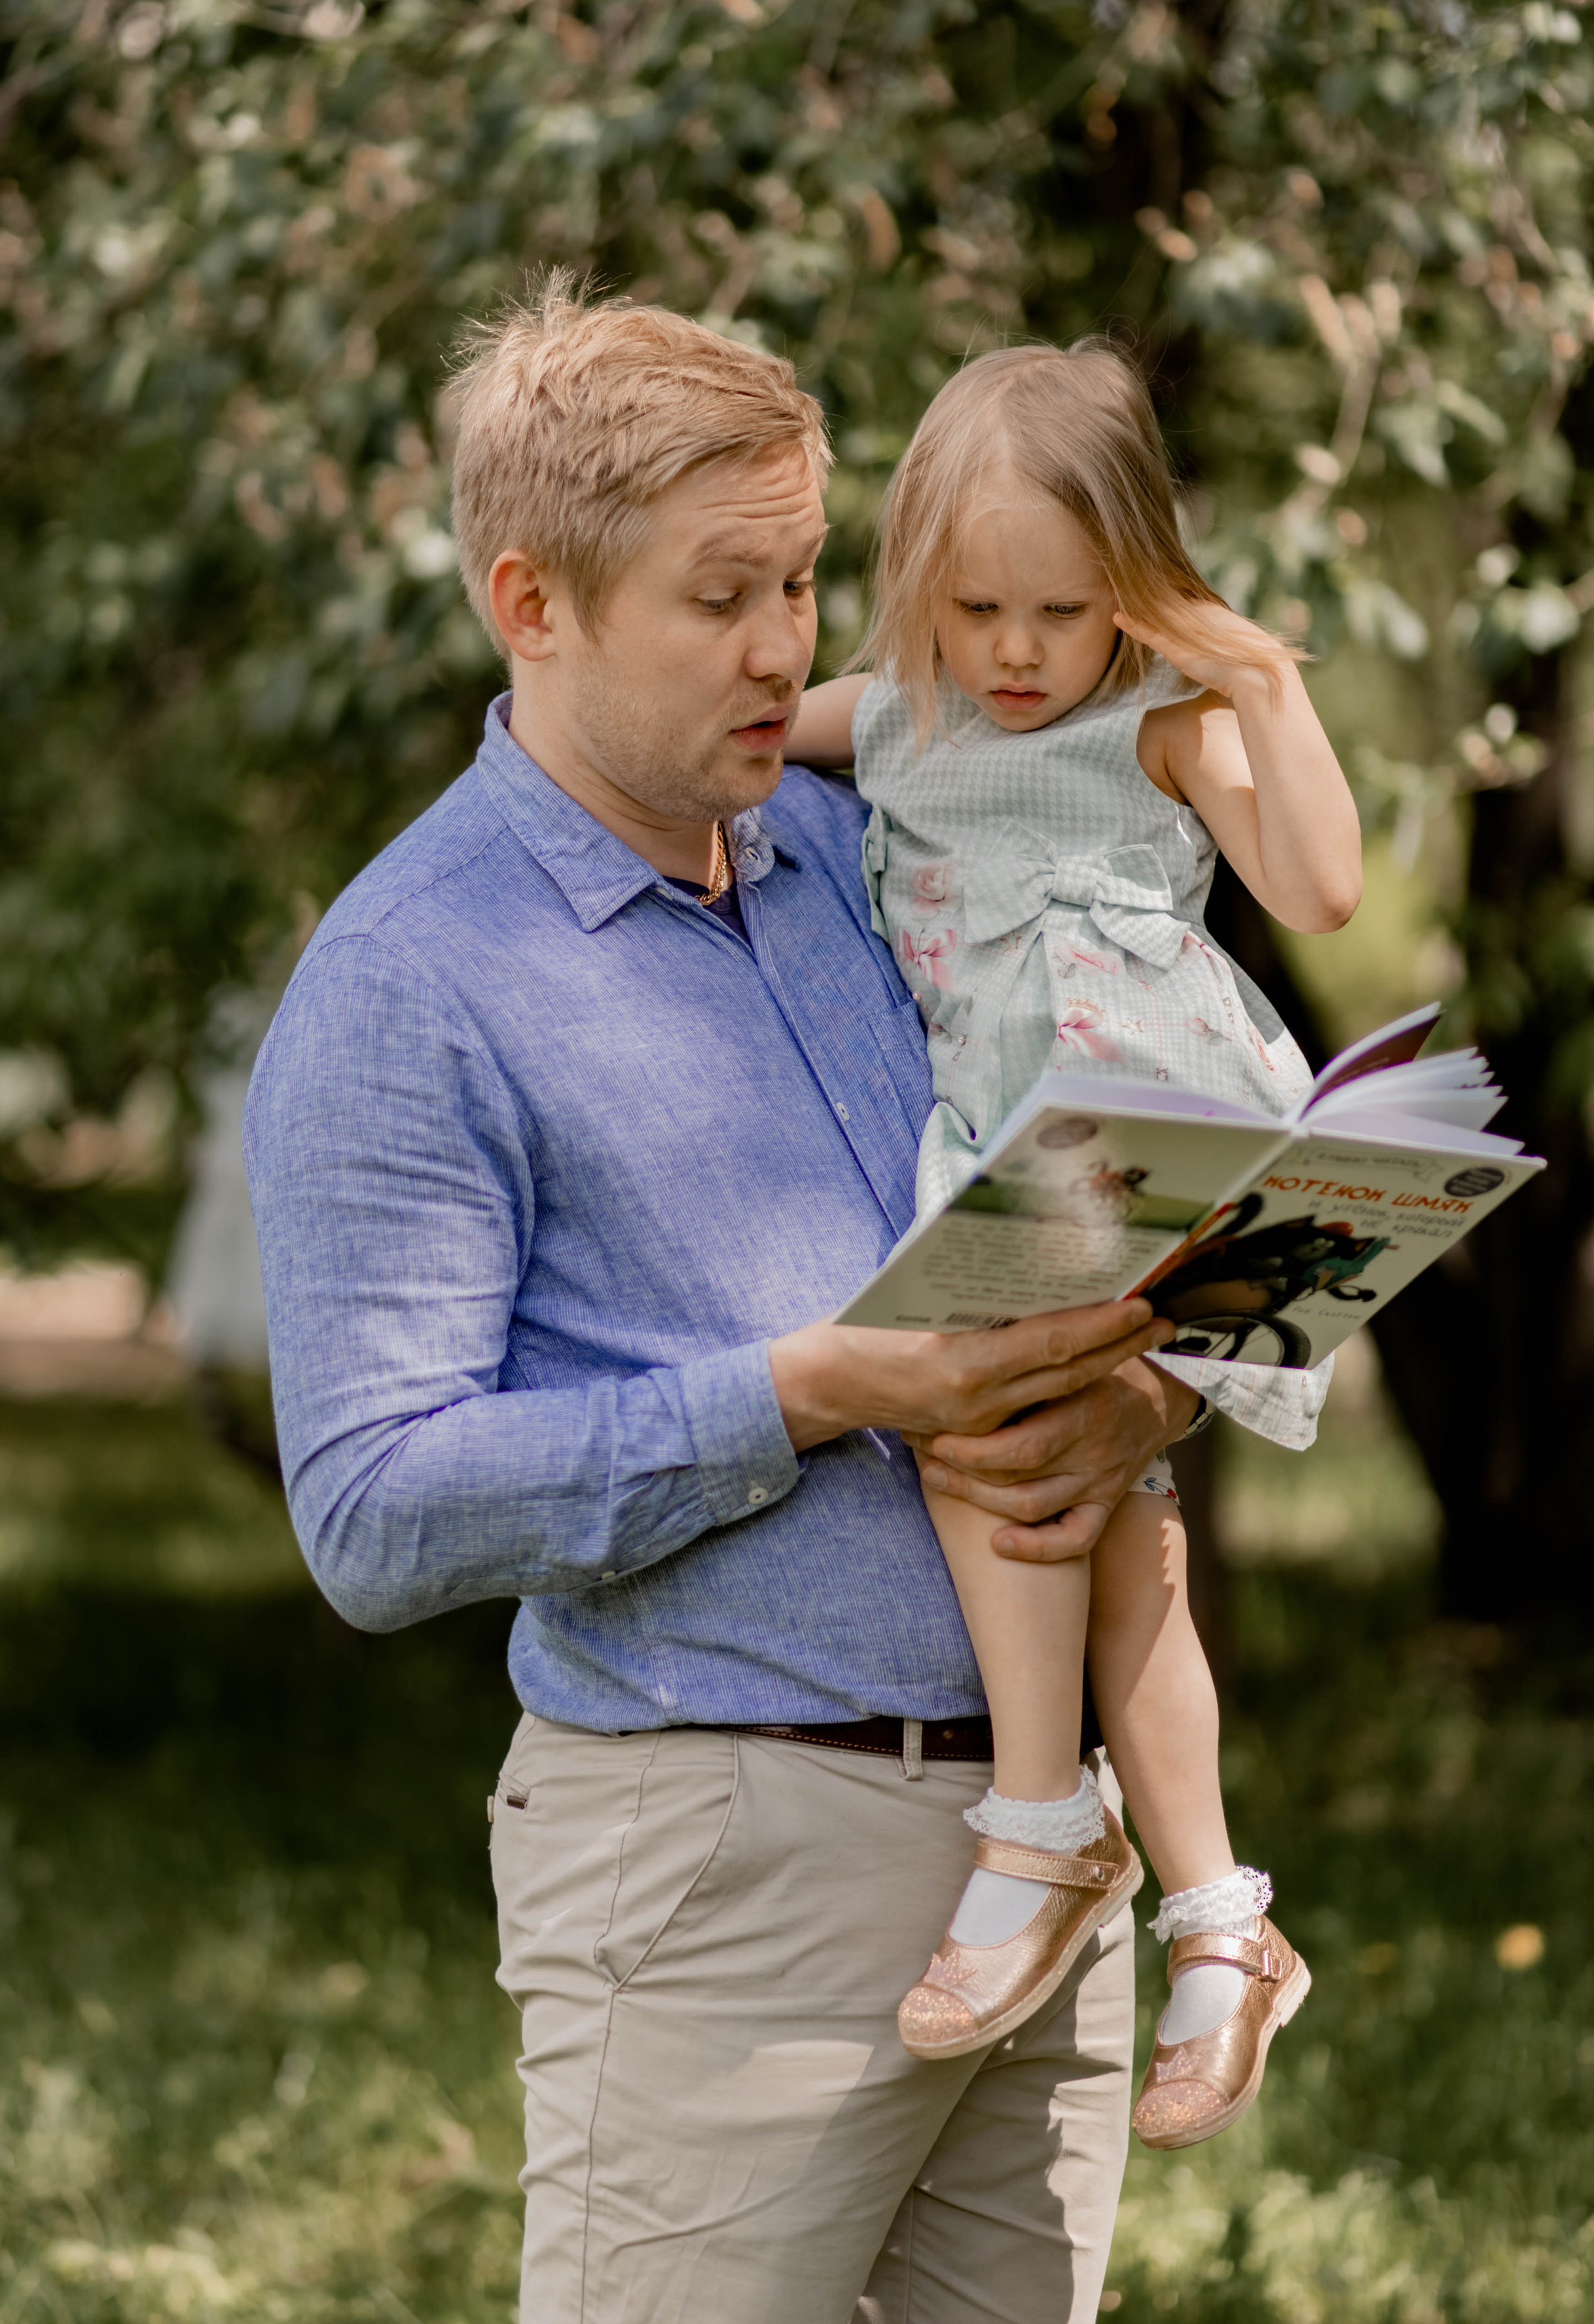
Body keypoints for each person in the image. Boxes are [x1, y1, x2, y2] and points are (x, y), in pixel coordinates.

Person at [244, 284, 1210, 2323]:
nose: (792, 647)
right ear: (535, 601)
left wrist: (1153, 1397)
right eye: (722, 598)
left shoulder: (867, 853)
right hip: (722, 1876)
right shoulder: (412, 987)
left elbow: (1063, 1224)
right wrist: (804, 1391)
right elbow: (374, 1512)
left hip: (1047, 1855)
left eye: (801, 580)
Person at [786, 339, 1363, 2149]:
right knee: (1119, 1523)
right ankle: (1217, 1918)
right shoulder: (897, 720)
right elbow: (725, 733)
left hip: (1151, 1137)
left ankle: (1040, 1823)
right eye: (977, 609)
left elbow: (1329, 892)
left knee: (985, 1454)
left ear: (1138, 590)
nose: (1022, 652)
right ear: (920, 595)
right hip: (1037, 1161)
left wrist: (1258, 675)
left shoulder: (1155, 729)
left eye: (1069, 606)